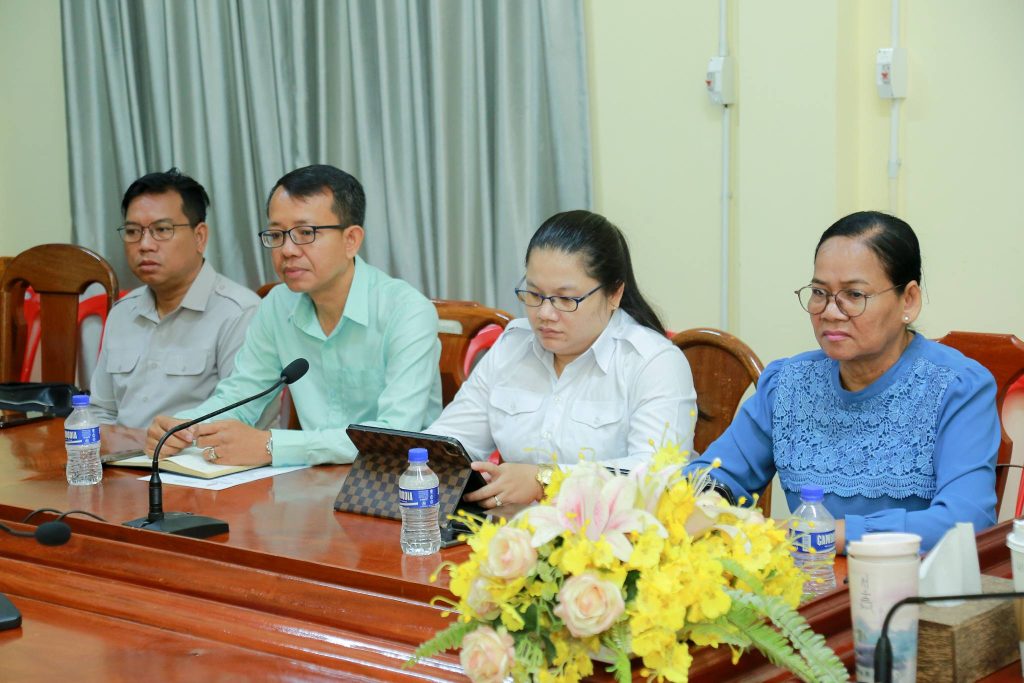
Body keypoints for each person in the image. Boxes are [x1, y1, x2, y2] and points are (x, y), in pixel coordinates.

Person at [687, 211, 999, 553]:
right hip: (808, 580)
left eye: (854, 295)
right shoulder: (789, 385)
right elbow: (712, 475)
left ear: (908, 300)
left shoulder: (956, 388)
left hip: (910, 581)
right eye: (819, 292)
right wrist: (709, 504)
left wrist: (812, 533)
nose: (831, 311)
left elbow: (965, 521)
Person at [145, 164, 442, 466]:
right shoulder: (277, 304)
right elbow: (241, 396)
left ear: (351, 240)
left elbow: (396, 433)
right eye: (276, 234)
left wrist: (273, 446)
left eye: (305, 233)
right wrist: (185, 427)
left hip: (402, 481)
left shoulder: (407, 311)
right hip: (311, 478)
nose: (287, 250)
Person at [427, 210, 697, 510]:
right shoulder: (512, 347)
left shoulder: (653, 363)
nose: (545, 314)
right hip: (507, 531)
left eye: (566, 299)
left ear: (614, 294)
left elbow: (659, 477)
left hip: (612, 534)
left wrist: (546, 480)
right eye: (534, 295)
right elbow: (448, 443)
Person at [90, 169, 260, 429]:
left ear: (199, 237)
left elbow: (242, 419)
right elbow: (101, 411)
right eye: (133, 231)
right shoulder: (122, 312)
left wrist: (162, 445)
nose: (145, 244)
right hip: (121, 453)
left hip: (196, 453)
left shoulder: (239, 312)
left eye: (162, 230)